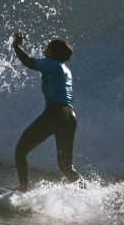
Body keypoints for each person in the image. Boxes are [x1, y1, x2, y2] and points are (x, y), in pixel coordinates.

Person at [11, 32, 83, 191]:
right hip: (70, 116)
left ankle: (23, 187)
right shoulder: (66, 69)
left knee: (21, 150)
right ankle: (86, 192)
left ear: (54, 53)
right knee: (66, 166)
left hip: (55, 112)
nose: (45, 49)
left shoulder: (52, 63)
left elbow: (29, 62)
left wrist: (16, 46)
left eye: (48, 48)